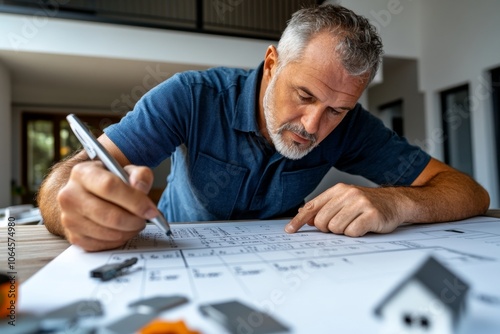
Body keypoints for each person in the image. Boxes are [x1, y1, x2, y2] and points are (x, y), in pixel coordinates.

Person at [38, 4, 489, 252]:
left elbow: (469, 192)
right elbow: (71, 176)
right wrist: (73, 202)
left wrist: (395, 202)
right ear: (272, 64)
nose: (314, 126)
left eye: (337, 110)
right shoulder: (191, 97)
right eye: (305, 96)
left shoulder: (352, 127)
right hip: (178, 257)